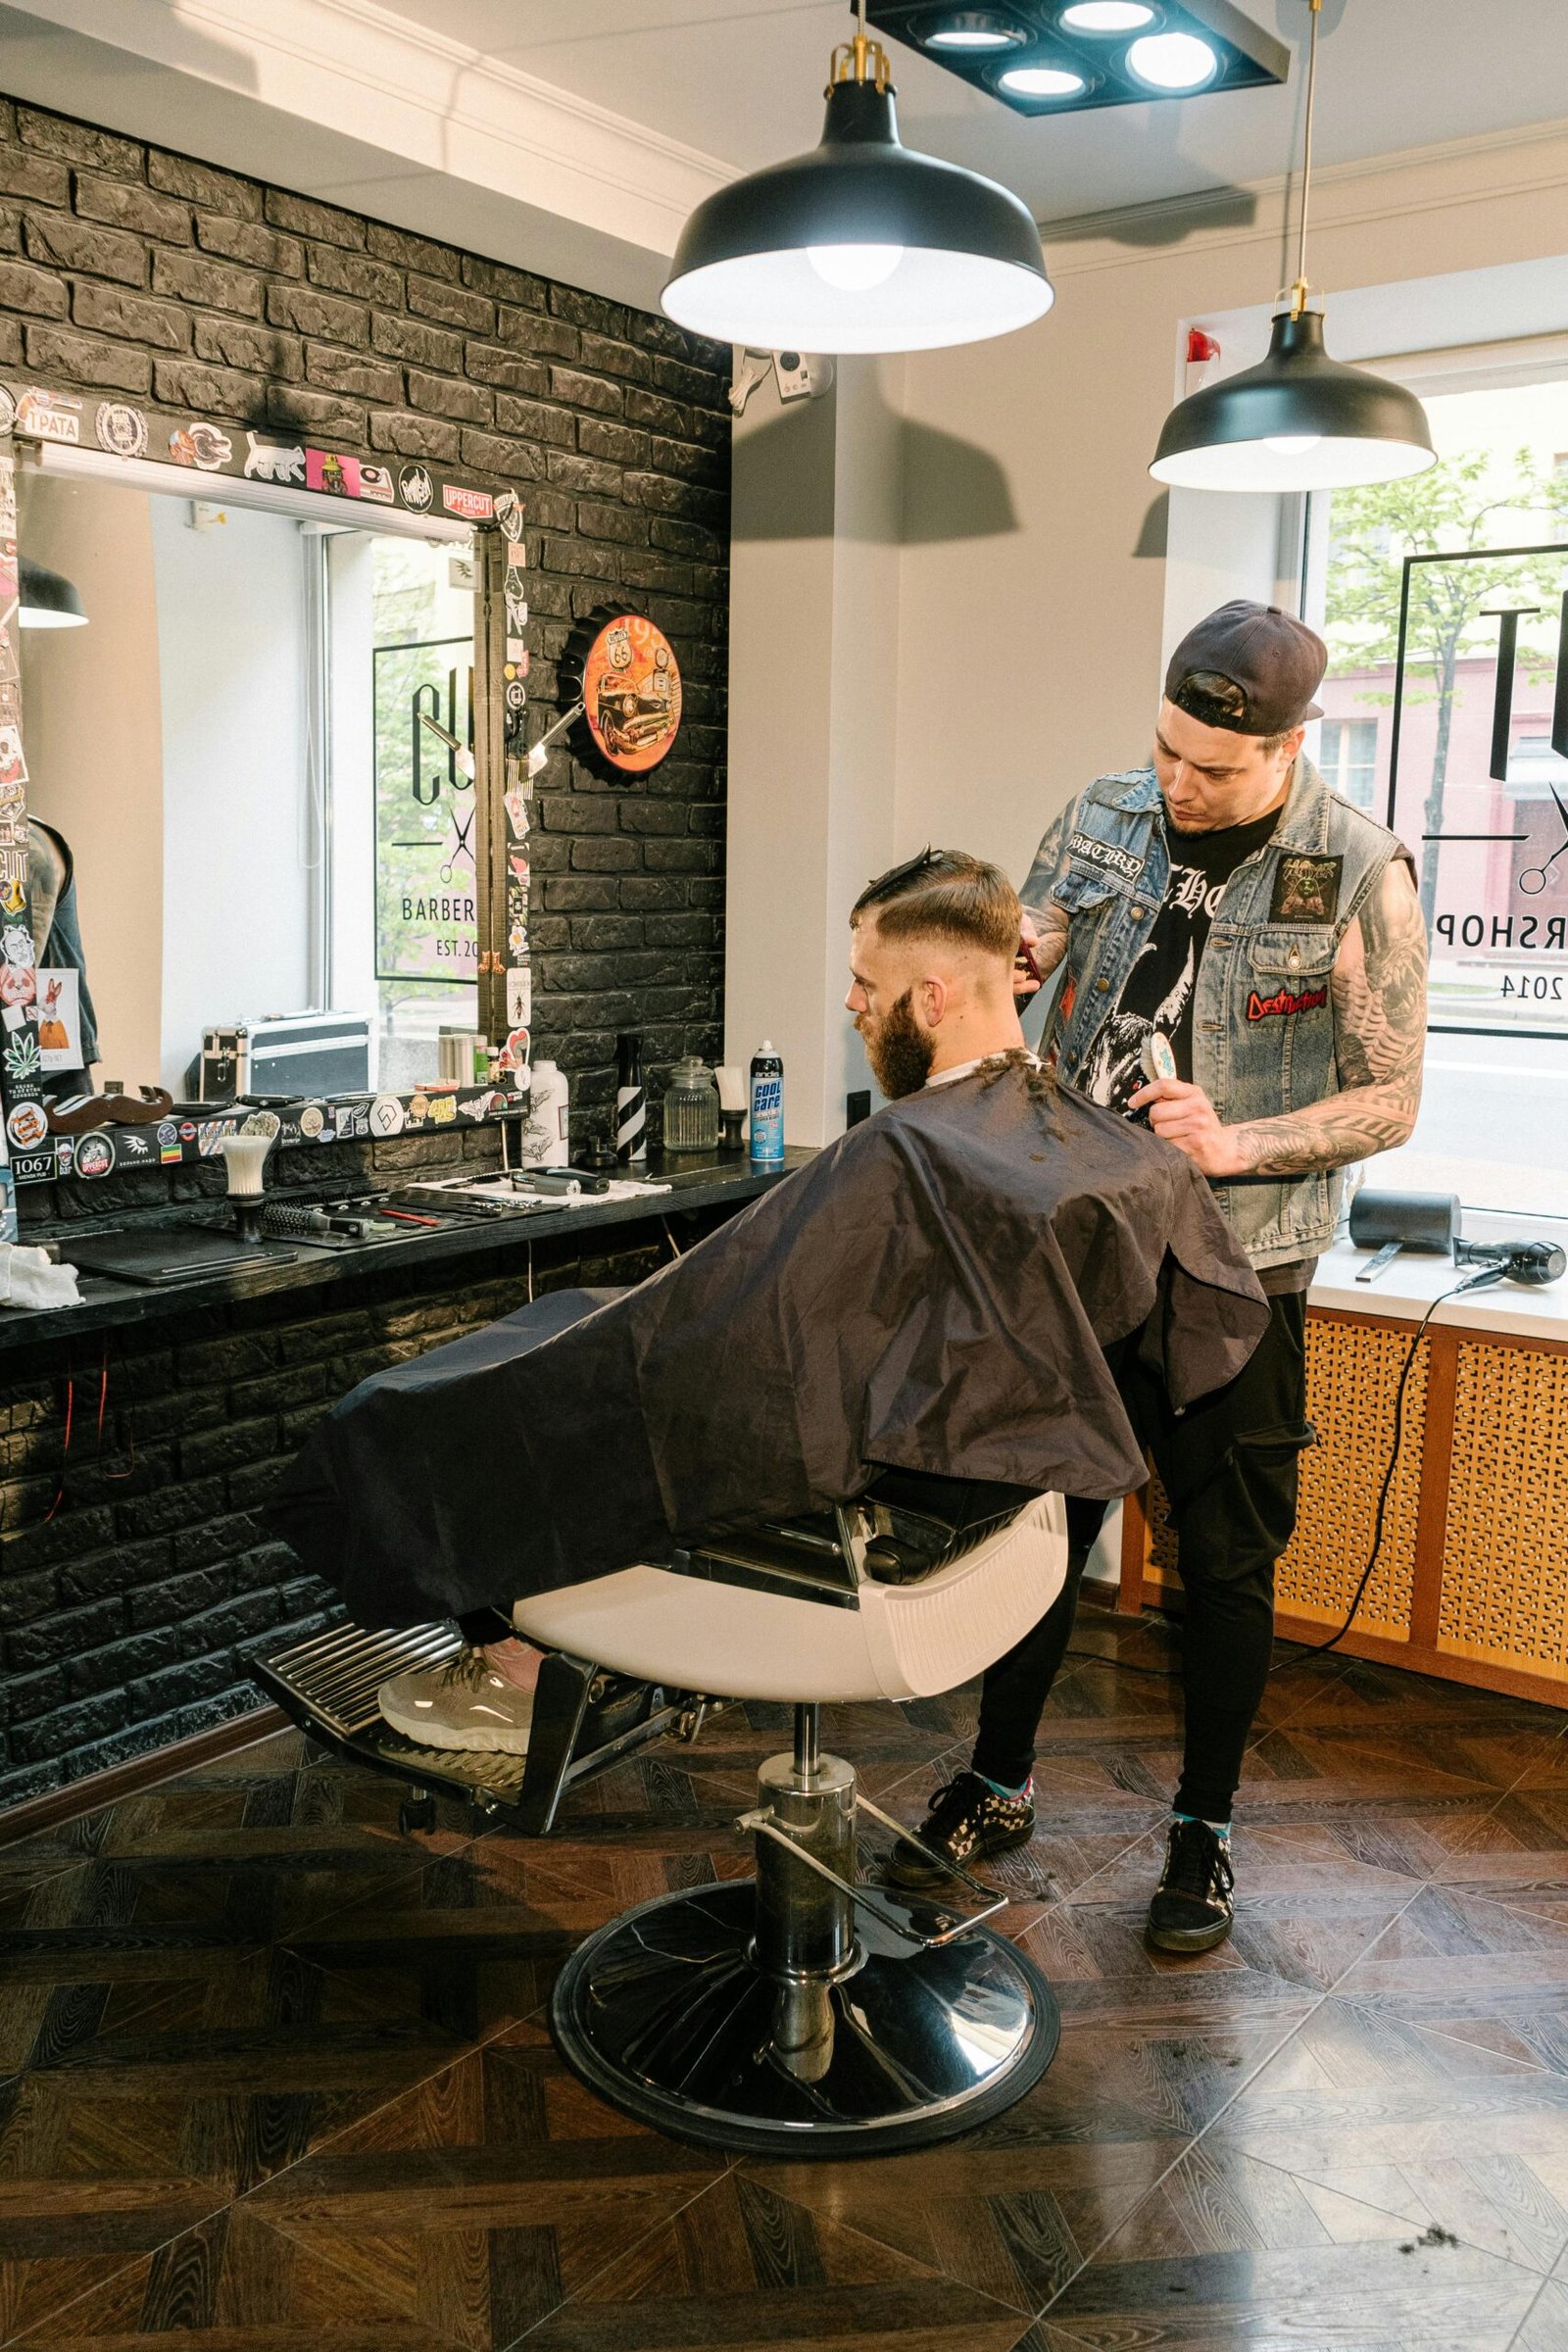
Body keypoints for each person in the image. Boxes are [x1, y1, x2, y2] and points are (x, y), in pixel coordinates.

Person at [273, 853, 1266, 1759]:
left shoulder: (909, 1152)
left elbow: (749, 1351)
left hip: (867, 1537)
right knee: (577, 1342)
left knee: (442, 1413)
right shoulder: (1096, 1149)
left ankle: (513, 1667)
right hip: (992, 1530)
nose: (849, 1006)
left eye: (864, 987)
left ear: (930, 995)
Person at [890, 602, 1429, 1953]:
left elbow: (1394, 1097)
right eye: (1169, 753)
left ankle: (1203, 1832)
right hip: (1077, 1249)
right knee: (1035, 1535)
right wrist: (1023, 950)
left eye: (1215, 770)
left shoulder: (1360, 872)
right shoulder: (1108, 808)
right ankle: (998, 1781)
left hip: (1238, 1274)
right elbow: (1049, 931)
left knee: (1227, 1563)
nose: (1180, 787)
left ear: (1293, 744)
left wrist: (1235, 1140)